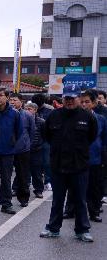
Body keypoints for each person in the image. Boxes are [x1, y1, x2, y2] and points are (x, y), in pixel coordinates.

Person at [40, 86, 98, 242]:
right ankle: (53, 228)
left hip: (79, 166)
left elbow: (92, 137)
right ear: (62, 99)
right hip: (58, 165)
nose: (69, 101)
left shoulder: (88, 117)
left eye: (73, 98)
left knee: (80, 199)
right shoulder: (54, 116)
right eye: (66, 98)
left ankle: (82, 230)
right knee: (57, 199)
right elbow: (48, 136)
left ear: (78, 98)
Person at [68, 90, 106, 223]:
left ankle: (94, 212)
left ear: (94, 103)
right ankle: (69, 210)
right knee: (73, 186)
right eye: (82, 101)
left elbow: (104, 140)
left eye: (87, 102)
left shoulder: (101, 119)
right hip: (76, 159)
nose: (84, 104)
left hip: (94, 158)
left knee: (93, 187)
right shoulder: (72, 117)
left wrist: (103, 158)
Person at [0, 88, 22, 214]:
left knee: (6, 179)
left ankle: (6, 203)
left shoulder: (14, 113)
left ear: (7, 97)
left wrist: (12, 143)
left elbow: (19, 131)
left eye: (0, 95)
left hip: (7, 151)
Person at [10, 92, 35, 207]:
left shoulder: (27, 115)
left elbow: (31, 132)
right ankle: (5, 199)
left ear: (21, 101)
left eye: (15, 100)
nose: (12, 102)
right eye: (11, 100)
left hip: (22, 149)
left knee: (23, 175)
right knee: (6, 176)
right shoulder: (7, 113)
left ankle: (24, 198)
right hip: (7, 149)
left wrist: (26, 144)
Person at [24, 102, 46, 198]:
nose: (27, 111)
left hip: (37, 150)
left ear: (35, 110)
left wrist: (39, 145)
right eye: (26, 109)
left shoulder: (41, 122)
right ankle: (18, 189)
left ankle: (38, 190)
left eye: (29, 109)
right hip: (24, 150)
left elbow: (45, 135)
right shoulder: (22, 119)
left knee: (37, 172)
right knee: (23, 171)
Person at [33, 92, 54, 190]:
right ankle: (36, 182)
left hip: (46, 139)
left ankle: (48, 181)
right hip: (35, 139)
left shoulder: (50, 109)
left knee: (46, 162)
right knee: (35, 163)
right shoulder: (31, 108)